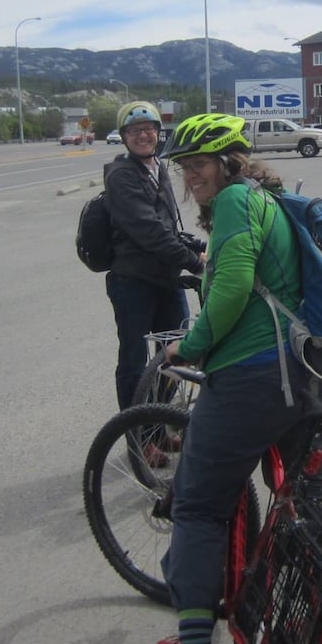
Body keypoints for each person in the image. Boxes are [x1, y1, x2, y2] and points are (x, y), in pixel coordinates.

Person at [150, 113, 322, 644]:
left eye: (199, 164)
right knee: (298, 503)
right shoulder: (264, 198)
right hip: (301, 374)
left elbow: (229, 292)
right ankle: (310, 617)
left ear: (228, 160)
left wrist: (191, 345)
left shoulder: (233, 201)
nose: (191, 176)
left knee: (199, 506)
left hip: (253, 377)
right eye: (183, 168)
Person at [103, 100, 204, 415]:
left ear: (159, 133)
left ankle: (157, 427)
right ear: (124, 136)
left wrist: (197, 246)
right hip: (132, 281)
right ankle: (137, 433)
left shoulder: (157, 167)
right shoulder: (121, 176)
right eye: (134, 131)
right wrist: (195, 261)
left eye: (148, 129)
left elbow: (167, 227)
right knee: (134, 360)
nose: (143, 135)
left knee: (174, 351)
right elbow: (149, 232)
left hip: (165, 277)